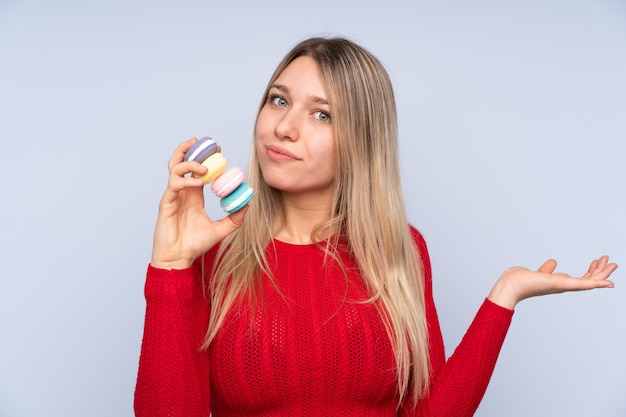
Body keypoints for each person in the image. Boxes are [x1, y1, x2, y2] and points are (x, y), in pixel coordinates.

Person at [134, 37, 617, 417]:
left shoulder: (398, 250)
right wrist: (171, 269)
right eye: (279, 101)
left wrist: (505, 295)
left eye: (321, 114)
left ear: (361, 140)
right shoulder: (213, 257)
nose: (284, 127)